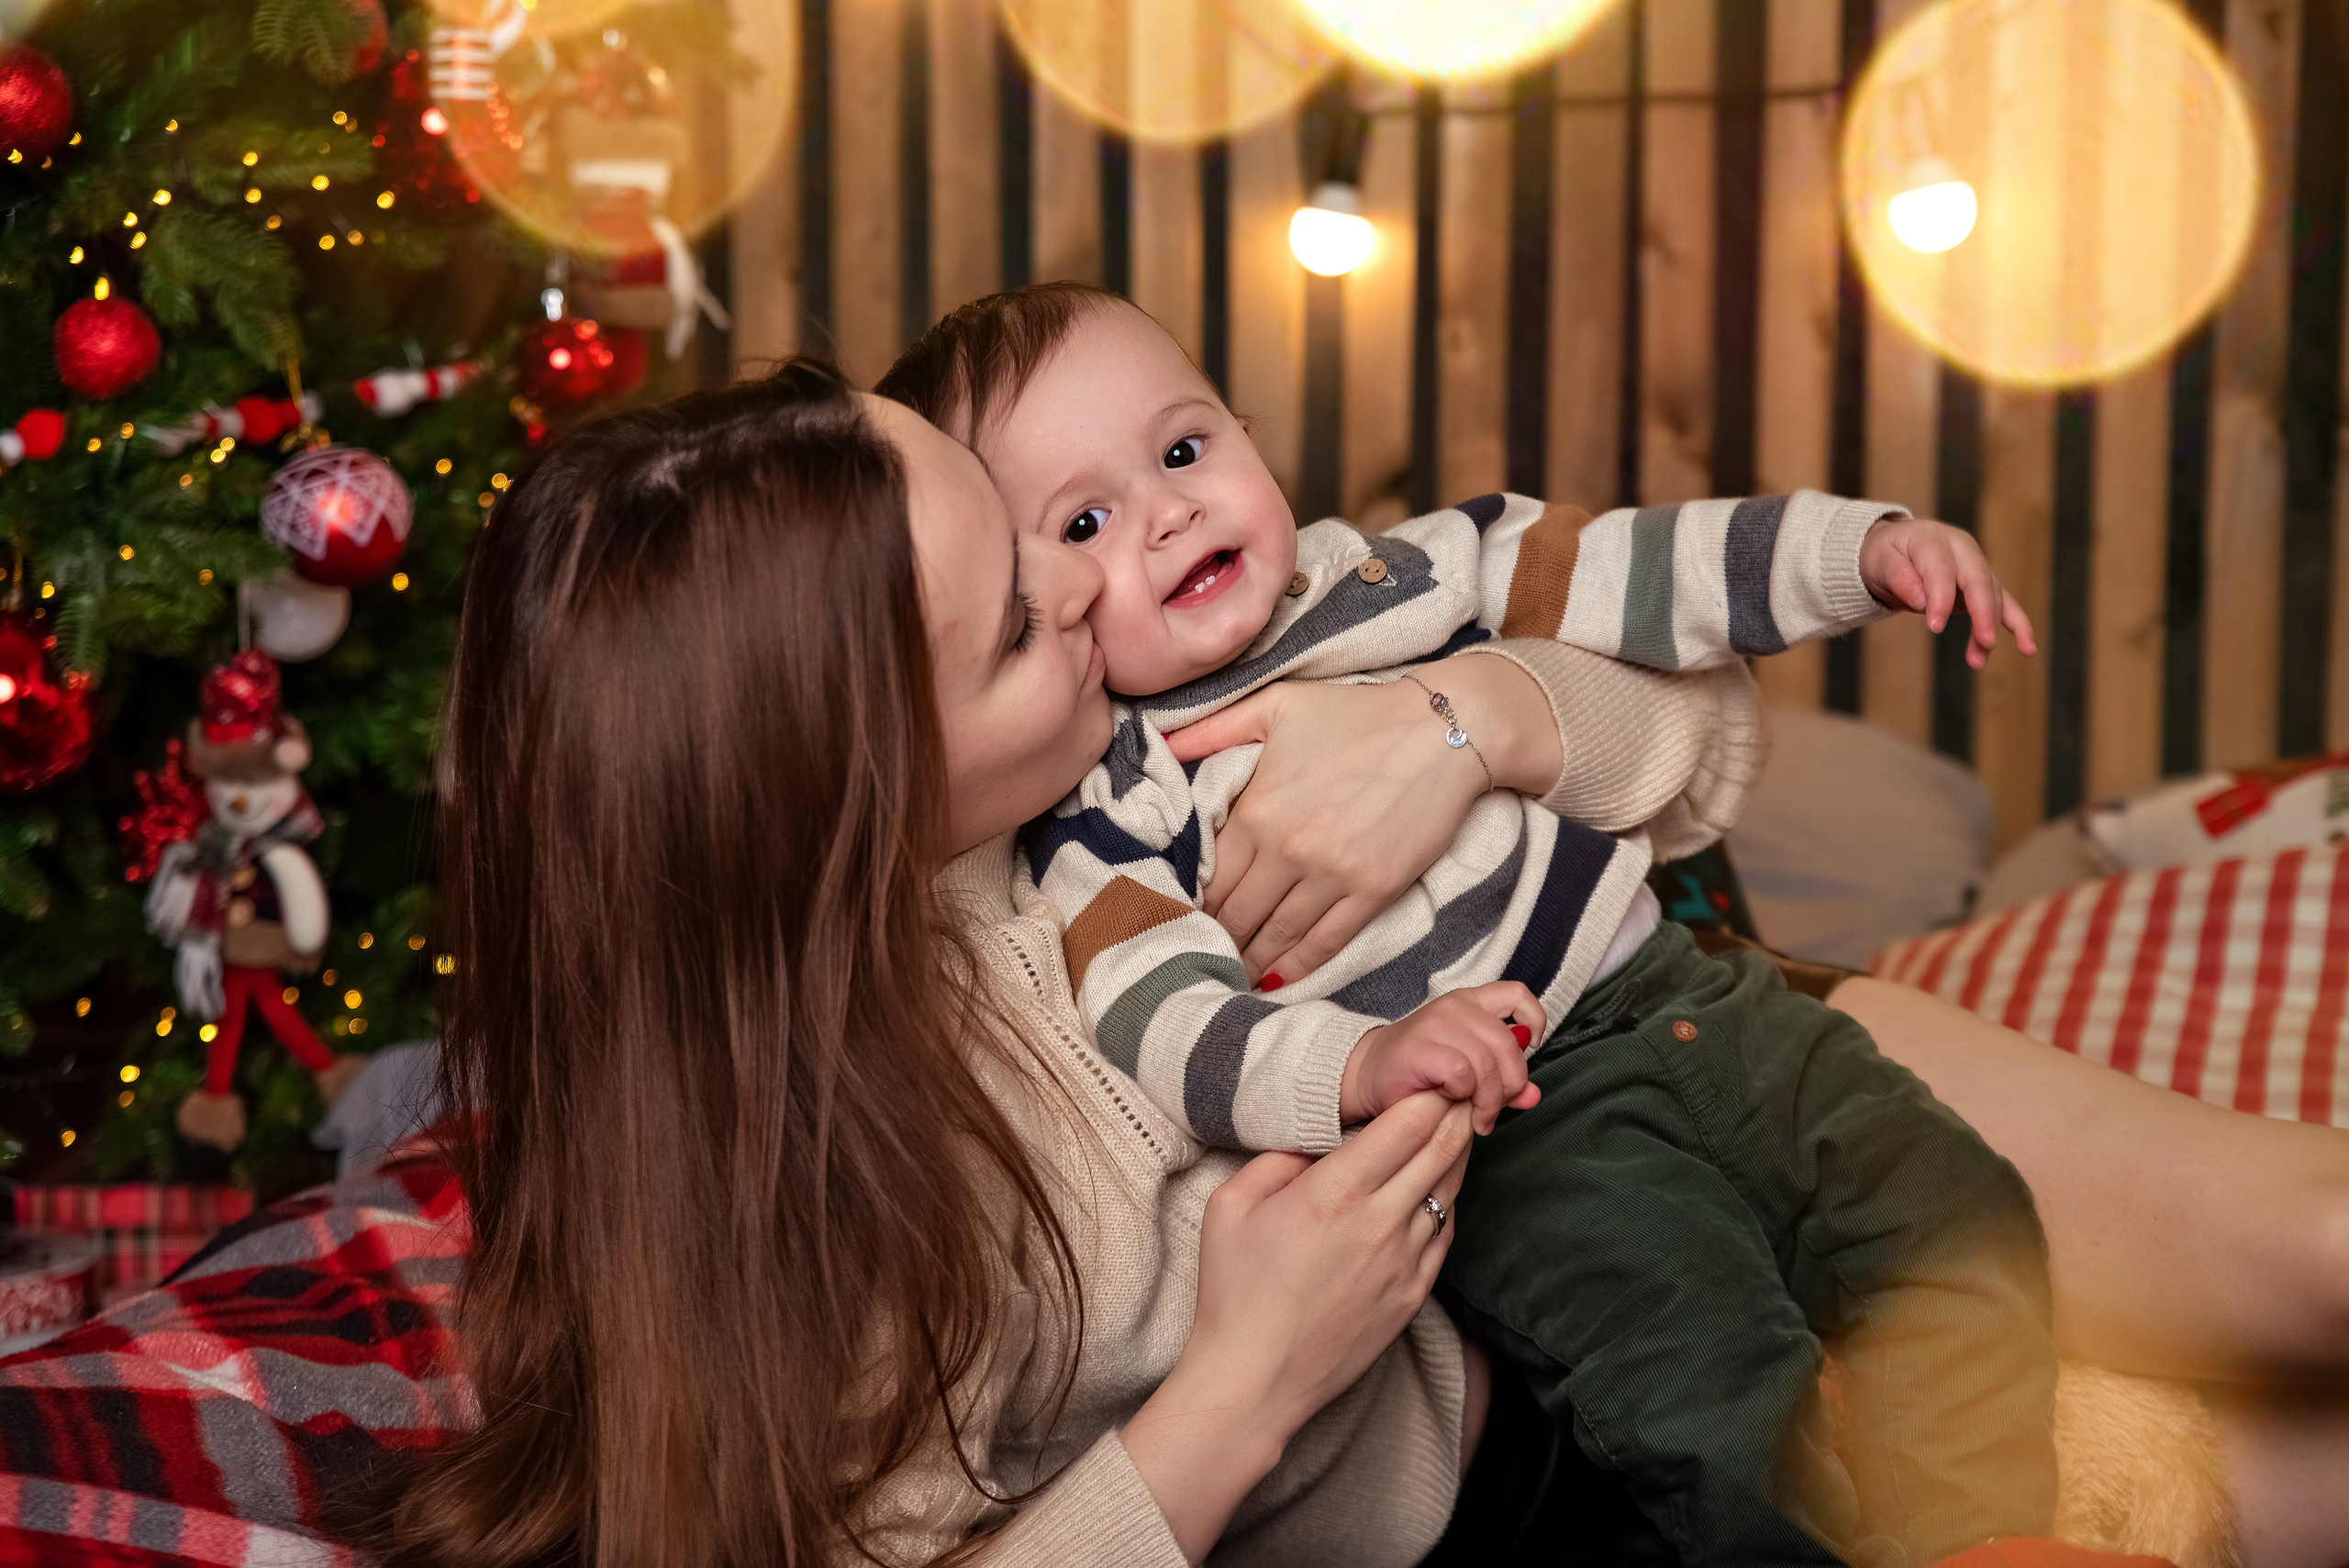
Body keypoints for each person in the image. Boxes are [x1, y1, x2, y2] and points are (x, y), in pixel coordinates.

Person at [341, 360, 2349, 1568]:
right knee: (2251, 1469)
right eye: (1022, 614)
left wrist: (1467, 720)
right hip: (1575, 1318)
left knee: (2312, 1251)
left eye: (1028, 523)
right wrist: (1239, 1390)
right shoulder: (876, 1135)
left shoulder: (1121, 678)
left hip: (1691, 1017)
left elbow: (1706, 754)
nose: (1088, 584)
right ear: (843, 799)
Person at [874, 281, 2065, 1568]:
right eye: (1084, 522)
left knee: (1961, 1214)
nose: (1168, 515)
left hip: (1689, 992)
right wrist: (1363, 1064)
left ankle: (1979, 1540)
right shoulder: (1113, 804)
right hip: (1525, 1122)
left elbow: (1634, 566)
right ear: (1033, 593)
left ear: (1248, 433)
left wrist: (1860, 554)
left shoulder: (1394, 575)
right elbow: (1168, 1021)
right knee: (1706, 1366)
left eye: (1183, 450)